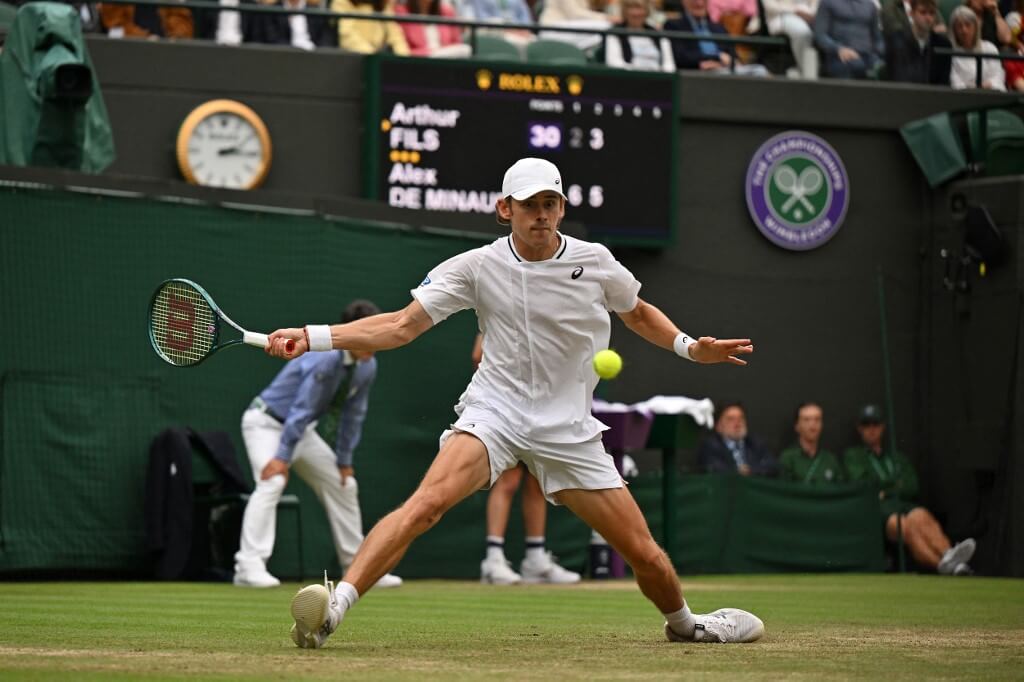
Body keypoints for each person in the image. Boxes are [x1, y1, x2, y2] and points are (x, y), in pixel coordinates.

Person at [269, 157, 764, 648]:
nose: (541, 215)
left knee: (645, 555)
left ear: (562, 208)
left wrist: (689, 347)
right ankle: (333, 611)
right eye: (529, 205)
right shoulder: (477, 267)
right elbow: (401, 326)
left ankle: (685, 625)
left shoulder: (594, 261)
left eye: (550, 203)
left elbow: (636, 313)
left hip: (567, 427)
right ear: (505, 208)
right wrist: (312, 337)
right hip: (495, 413)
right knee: (425, 506)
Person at [233, 299, 402, 590]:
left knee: (344, 484)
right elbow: (301, 408)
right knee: (272, 482)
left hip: (301, 431)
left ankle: (359, 567)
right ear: (352, 331)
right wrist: (282, 458)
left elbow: (353, 415)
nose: (374, 338)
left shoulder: (367, 366)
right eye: (367, 330)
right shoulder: (325, 358)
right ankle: (248, 567)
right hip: (265, 423)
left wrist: (344, 461)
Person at [470, 334, 582, 584]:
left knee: (536, 483)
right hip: (507, 407)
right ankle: (493, 559)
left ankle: (535, 559)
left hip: (542, 408)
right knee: (508, 482)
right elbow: (478, 355)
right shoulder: (504, 313)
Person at [843, 404, 976, 575]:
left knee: (921, 516)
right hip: (878, 510)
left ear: (882, 426)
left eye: (875, 424)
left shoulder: (897, 457)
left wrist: (885, 490)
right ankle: (943, 565)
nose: (871, 430)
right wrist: (894, 485)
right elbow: (864, 484)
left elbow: (911, 486)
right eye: (866, 425)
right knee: (904, 526)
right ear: (859, 428)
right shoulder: (854, 456)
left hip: (902, 503)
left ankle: (948, 554)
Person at [665, 0, 769, 74]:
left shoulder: (718, 28)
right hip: (696, 75)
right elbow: (681, 56)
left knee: (759, 70)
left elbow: (734, 57)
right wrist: (717, 57)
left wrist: (724, 63)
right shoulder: (673, 26)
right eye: (694, 0)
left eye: (703, 0)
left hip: (725, 71)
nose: (699, 3)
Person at [697, 401, 778, 476]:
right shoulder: (710, 446)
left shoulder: (755, 443)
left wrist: (751, 470)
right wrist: (736, 472)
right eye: (730, 419)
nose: (737, 423)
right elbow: (715, 469)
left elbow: (772, 466)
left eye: (741, 418)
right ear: (718, 426)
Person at [885, 0, 952, 84]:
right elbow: (895, 77)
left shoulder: (943, 45)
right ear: (911, 13)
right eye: (923, 12)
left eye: (932, 13)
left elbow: (943, 84)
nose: (928, 18)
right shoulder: (896, 40)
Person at [777, 402, 844, 484]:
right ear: (797, 426)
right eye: (806, 420)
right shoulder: (788, 459)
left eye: (817, 419)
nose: (812, 425)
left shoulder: (830, 460)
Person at [814, 0, 884, 79]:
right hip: (839, 57)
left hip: (868, 56)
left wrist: (877, 54)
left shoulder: (870, 5)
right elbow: (820, 35)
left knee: (882, 68)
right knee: (855, 66)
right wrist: (839, 49)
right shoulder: (828, 3)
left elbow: (877, 37)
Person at [604, 0, 676, 72]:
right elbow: (614, 63)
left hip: (658, 79)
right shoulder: (615, 33)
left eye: (640, 8)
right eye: (631, 8)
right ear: (624, 11)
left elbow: (669, 66)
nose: (636, 13)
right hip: (629, 79)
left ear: (647, 11)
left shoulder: (659, 35)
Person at [949, 5, 1007, 89]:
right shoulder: (951, 52)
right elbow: (955, 83)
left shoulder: (989, 48)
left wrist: (988, 84)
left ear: (975, 27)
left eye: (968, 25)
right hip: (965, 98)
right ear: (954, 30)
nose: (964, 30)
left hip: (991, 93)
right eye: (959, 26)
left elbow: (998, 76)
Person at [761, 0, 820, 78]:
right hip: (782, 16)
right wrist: (795, 10)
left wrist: (810, 13)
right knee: (801, 32)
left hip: (810, 17)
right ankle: (807, 74)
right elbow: (770, 7)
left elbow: (816, 6)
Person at [330, 0, 410, 54]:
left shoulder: (382, 4)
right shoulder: (342, 2)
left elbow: (396, 37)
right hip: (353, 59)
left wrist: (404, 60)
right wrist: (372, 57)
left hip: (377, 60)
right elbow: (346, 36)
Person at [395, 0, 470, 57]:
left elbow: (457, 43)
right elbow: (402, 50)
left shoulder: (447, 11)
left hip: (447, 63)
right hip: (418, 64)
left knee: (466, 49)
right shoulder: (401, 12)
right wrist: (431, 52)